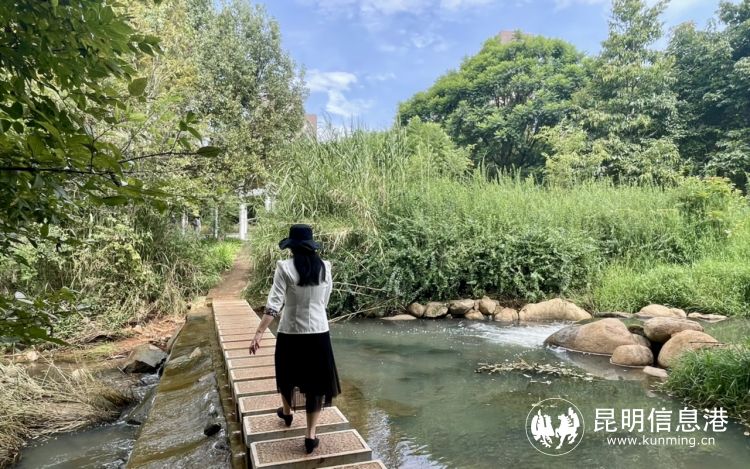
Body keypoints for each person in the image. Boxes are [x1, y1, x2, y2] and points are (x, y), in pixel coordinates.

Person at [249, 224, 341, 454]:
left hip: (291, 332)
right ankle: (310, 436)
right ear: (311, 246)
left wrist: (259, 332)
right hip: (319, 332)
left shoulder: (284, 268)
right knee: (316, 385)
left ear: (292, 247)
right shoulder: (325, 267)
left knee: (287, 374)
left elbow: (274, 304)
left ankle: (287, 412)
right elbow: (325, 300)